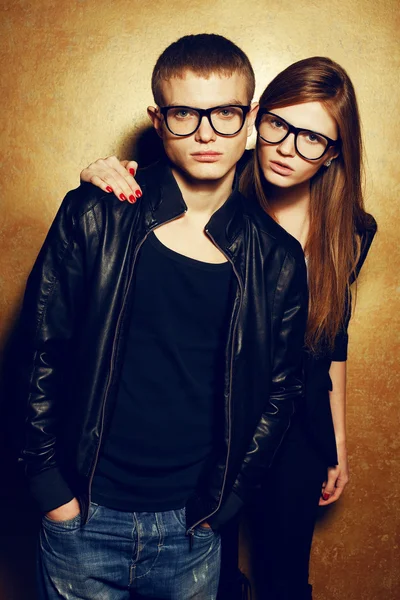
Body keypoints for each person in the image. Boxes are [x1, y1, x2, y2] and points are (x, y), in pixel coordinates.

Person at [15, 34, 308, 600]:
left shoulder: (275, 256)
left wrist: (230, 503)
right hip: (81, 519)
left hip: (194, 530)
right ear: (157, 119)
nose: (206, 134)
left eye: (224, 113)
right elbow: (39, 352)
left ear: (249, 119)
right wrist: (51, 492)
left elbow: (281, 388)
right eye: (185, 113)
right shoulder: (94, 213)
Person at [81, 56, 377, 599]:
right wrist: (102, 173)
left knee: (285, 574)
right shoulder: (215, 182)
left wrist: (337, 440)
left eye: (314, 139)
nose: (289, 148)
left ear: (334, 154)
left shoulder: (351, 230)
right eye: (279, 126)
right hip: (221, 411)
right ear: (255, 119)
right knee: (207, 570)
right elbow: (135, 208)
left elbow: (333, 340)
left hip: (297, 423)